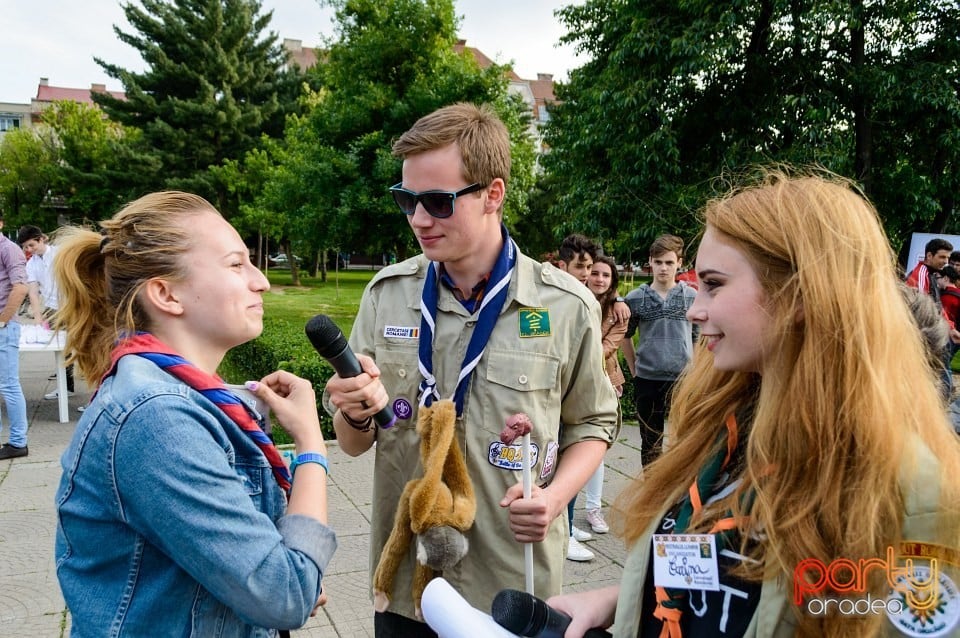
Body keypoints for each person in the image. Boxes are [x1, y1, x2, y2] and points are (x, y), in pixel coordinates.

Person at [546, 169, 960, 638]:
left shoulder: (914, 492)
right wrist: (626, 601)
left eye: (715, 284)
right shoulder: (720, 431)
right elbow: (722, 577)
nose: (694, 309)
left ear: (800, 292)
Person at [323, 103, 620, 637]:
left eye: (437, 202)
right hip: (407, 581)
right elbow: (352, 444)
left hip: (509, 582)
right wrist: (357, 410)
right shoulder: (387, 296)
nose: (418, 219)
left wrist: (554, 500)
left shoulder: (565, 306)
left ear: (493, 194)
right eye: (407, 200)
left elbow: (593, 424)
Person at [53, 191, 337, 636]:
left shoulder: (190, 398)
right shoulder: (157, 419)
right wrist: (311, 446)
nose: (260, 281)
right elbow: (286, 594)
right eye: (235, 264)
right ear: (166, 294)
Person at [621, 234, 698, 466]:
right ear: (650, 262)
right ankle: (652, 497)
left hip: (682, 379)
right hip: (648, 379)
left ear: (679, 263)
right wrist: (634, 369)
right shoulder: (635, 299)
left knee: (685, 439)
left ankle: (680, 492)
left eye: (669, 262)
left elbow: (698, 337)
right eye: (658, 262)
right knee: (650, 442)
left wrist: (695, 370)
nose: (663, 268)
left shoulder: (691, 297)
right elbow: (625, 335)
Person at [581, 254, 627, 536]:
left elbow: (606, 348)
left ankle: (593, 508)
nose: (599, 279)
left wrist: (618, 299)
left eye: (605, 275)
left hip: (603, 381)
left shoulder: (618, 311)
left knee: (597, 449)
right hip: (569, 383)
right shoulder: (571, 298)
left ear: (612, 281)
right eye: (594, 273)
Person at [17, 225, 79, 406]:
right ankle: (66, 387)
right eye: (25, 247)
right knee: (61, 349)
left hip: (72, 305)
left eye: (31, 245)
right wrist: (37, 317)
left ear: (41, 239)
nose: (29, 250)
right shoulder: (32, 264)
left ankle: (91, 390)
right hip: (52, 308)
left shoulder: (61, 253)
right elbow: (34, 293)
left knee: (81, 346)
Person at [0, 213, 29, 460]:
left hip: (4, 328)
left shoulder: (9, 249)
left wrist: (2, 320)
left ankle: (18, 442)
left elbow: (21, 287)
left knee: (8, 385)